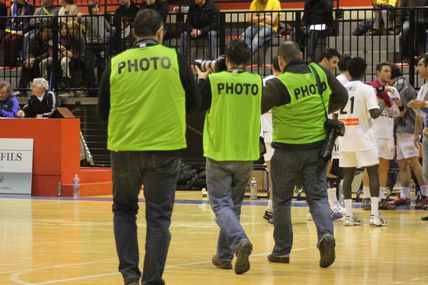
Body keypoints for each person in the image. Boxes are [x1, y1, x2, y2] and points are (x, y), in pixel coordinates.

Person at [97, 9, 199, 285]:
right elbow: (194, 102)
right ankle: (152, 280)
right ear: (160, 32)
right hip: (165, 148)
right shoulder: (175, 59)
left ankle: (130, 276)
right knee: (159, 218)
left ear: (133, 33)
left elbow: (103, 111)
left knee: (124, 210)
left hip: (124, 149)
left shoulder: (116, 63)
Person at [262, 40, 348, 267]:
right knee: (318, 197)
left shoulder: (277, 85)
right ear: (300, 54)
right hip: (316, 149)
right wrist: (321, 110)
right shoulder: (319, 72)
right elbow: (341, 97)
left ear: (280, 61)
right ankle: (325, 236)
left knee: (281, 201)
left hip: (286, 151)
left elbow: (256, 108)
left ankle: (281, 251)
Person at [196, 39, 261, 274]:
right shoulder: (257, 81)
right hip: (246, 153)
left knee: (221, 205)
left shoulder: (214, 81)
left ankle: (239, 240)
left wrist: (202, 79)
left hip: (219, 151)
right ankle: (223, 256)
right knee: (234, 206)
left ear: (227, 59)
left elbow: (196, 104)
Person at [338, 57, 387, 227]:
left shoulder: (341, 88)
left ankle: (349, 216)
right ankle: (374, 215)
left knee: (347, 176)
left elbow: (334, 115)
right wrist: (382, 104)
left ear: (349, 72)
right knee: (373, 173)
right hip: (363, 137)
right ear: (364, 71)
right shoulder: (367, 89)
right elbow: (374, 113)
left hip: (345, 138)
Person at [362, 62, 402, 211]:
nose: (388, 74)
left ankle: (381, 198)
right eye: (385, 71)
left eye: (390, 72)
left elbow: (399, 113)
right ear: (378, 72)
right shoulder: (371, 88)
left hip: (387, 131)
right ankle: (366, 197)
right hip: (374, 131)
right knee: (371, 165)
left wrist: (398, 105)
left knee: (385, 165)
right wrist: (385, 102)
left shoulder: (393, 90)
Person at [391, 64, 428, 209]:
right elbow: (417, 108)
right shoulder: (422, 87)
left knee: (413, 161)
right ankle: (404, 195)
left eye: (388, 71)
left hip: (407, 126)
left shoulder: (399, 84)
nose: (417, 68)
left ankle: (425, 194)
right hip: (405, 128)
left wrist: (414, 133)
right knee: (402, 163)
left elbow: (402, 109)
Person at [406, 55, 428, 218]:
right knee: (426, 172)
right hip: (426, 133)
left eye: (420, 65)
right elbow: (421, 115)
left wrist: (424, 104)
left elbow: (425, 106)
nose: (417, 68)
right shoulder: (423, 88)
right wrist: (416, 134)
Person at [262, 59, 282, 224]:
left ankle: (270, 208)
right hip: (280, 136)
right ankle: (275, 210)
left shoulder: (263, 83)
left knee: (275, 176)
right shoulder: (284, 83)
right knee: (279, 177)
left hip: (266, 136)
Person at [3, 0, 35, 67]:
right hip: (13, 30)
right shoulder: (12, 7)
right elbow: (9, 21)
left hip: (23, 31)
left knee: (14, 40)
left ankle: (13, 62)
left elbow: (30, 22)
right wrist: (10, 30)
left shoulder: (29, 7)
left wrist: (22, 31)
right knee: (6, 39)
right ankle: (6, 62)